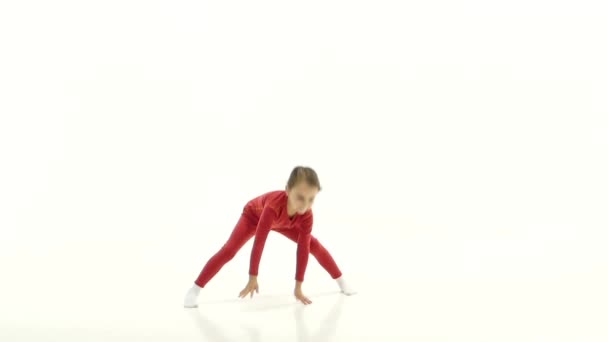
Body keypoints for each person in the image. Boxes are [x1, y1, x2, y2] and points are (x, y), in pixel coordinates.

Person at [184, 166, 356, 308]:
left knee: (314, 245)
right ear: (288, 190)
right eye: (300, 198)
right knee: (229, 251)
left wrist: (298, 287)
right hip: (254, 217)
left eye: (311, 199)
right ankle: (194, 290)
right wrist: (253, 276)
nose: (305, 205)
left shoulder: (306, 215)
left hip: (283, 223)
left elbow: (303, 248)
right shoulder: (273, 206)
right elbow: (260, 241)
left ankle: (341, 281)